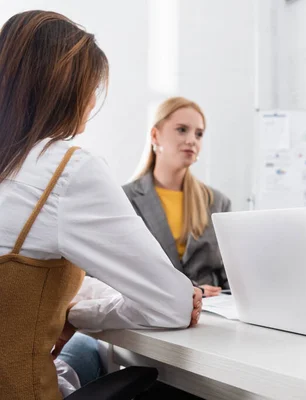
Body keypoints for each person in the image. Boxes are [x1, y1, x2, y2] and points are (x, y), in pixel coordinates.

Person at [0, 11, 202, 399]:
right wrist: (78, 314)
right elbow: (172, 307)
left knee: (88, 351)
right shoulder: (68, 171)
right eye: (93, 88)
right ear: (71, 91)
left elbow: (26, 280)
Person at [123, 97, 231, 296]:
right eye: (182, 130)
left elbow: (231, 277)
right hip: (150, 310)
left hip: (213, 313)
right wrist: (189, 291)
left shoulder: (217, 202)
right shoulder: (124, 199)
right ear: (155, 136)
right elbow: (117, 270)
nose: (192, 140)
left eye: (199, 134)